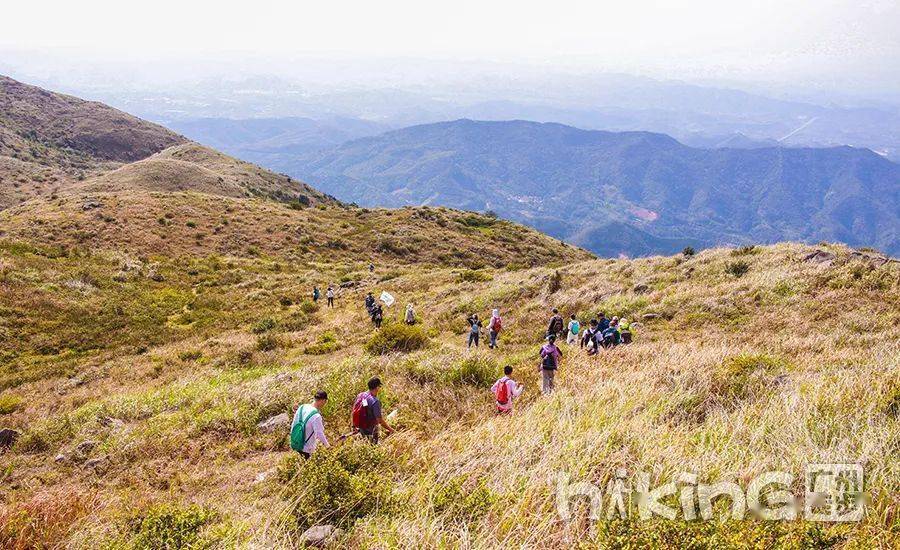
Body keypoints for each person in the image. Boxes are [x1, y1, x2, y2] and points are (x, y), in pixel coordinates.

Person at [351, 377, 394, 444]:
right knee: (372, 447)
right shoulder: (375, 401)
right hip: (371, 429)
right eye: (379, 386)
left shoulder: (360, 395)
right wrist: (390, 429)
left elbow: (354, 411)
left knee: (364, 445)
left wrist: (353, 426)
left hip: (361, 427)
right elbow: (380, 420)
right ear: (377, 387)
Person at [290, 390, 329, 459]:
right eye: (325, 402)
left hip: (296, 444)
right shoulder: (316, 416)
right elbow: (319, 434)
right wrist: (328, 446)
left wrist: (293, 439)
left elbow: (294, 423)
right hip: (307, 449)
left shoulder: (302, 407)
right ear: (323, 400)